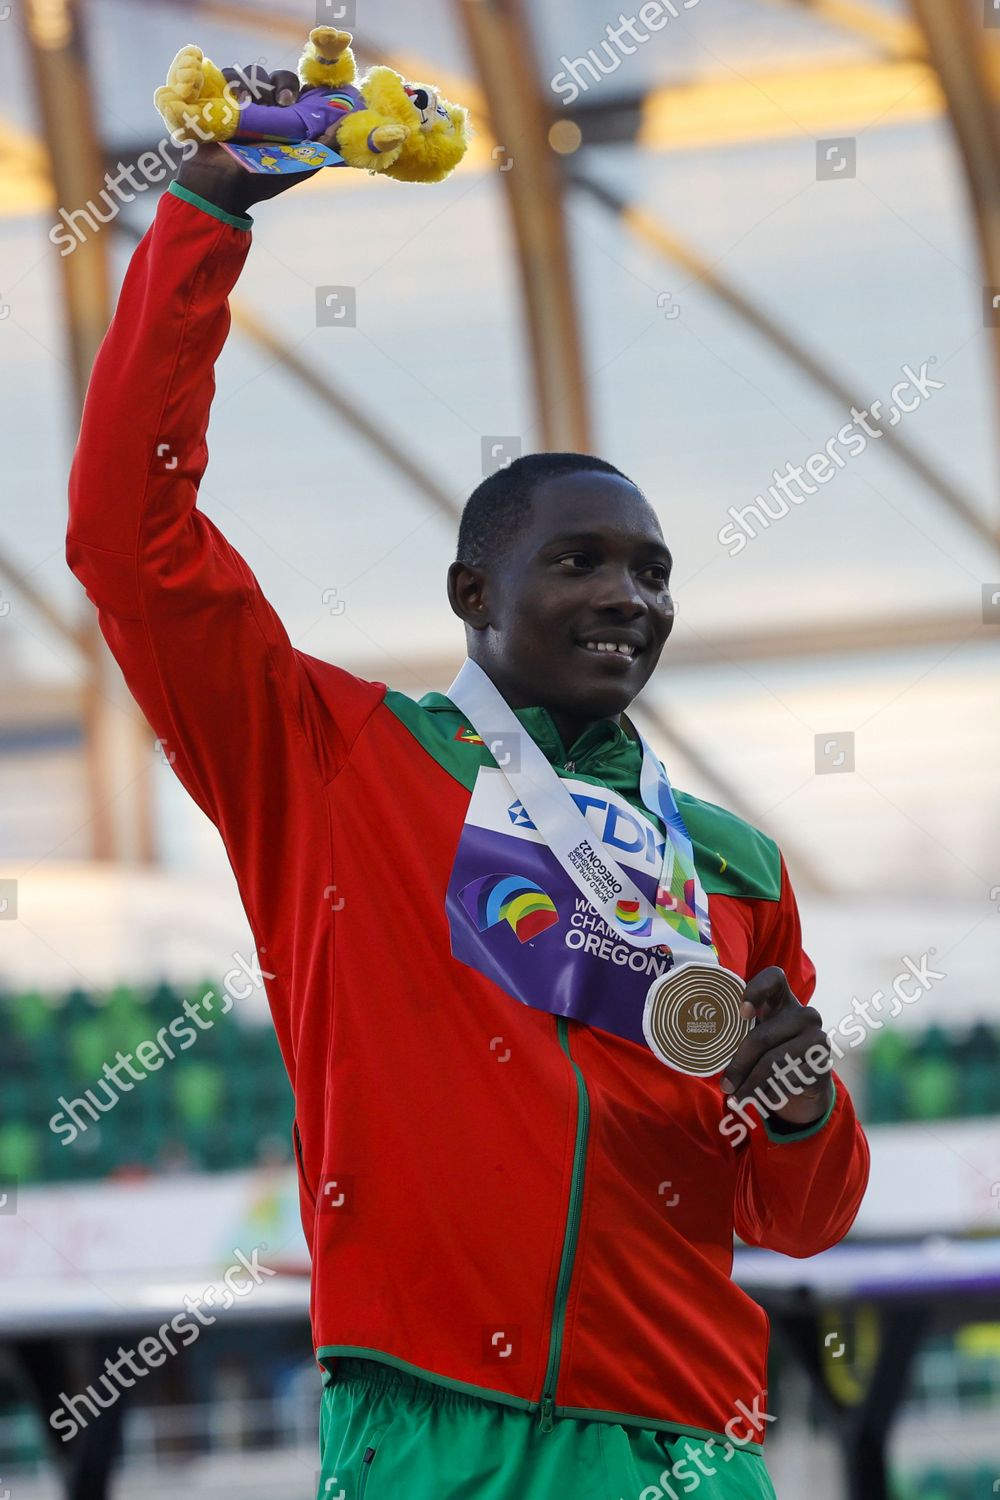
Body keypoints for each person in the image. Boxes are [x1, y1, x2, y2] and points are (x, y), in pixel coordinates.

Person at [66, 63, 870, 1500]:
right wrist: (204, 211)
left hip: (686, 1442)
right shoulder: (328, 763)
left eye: (653, 572)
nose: (629, 597)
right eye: (583, 563)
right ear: (469, 592)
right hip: (434, 1423)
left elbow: (799, 1218)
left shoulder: (733, 866)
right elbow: (131, 544)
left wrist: (802, 1103)